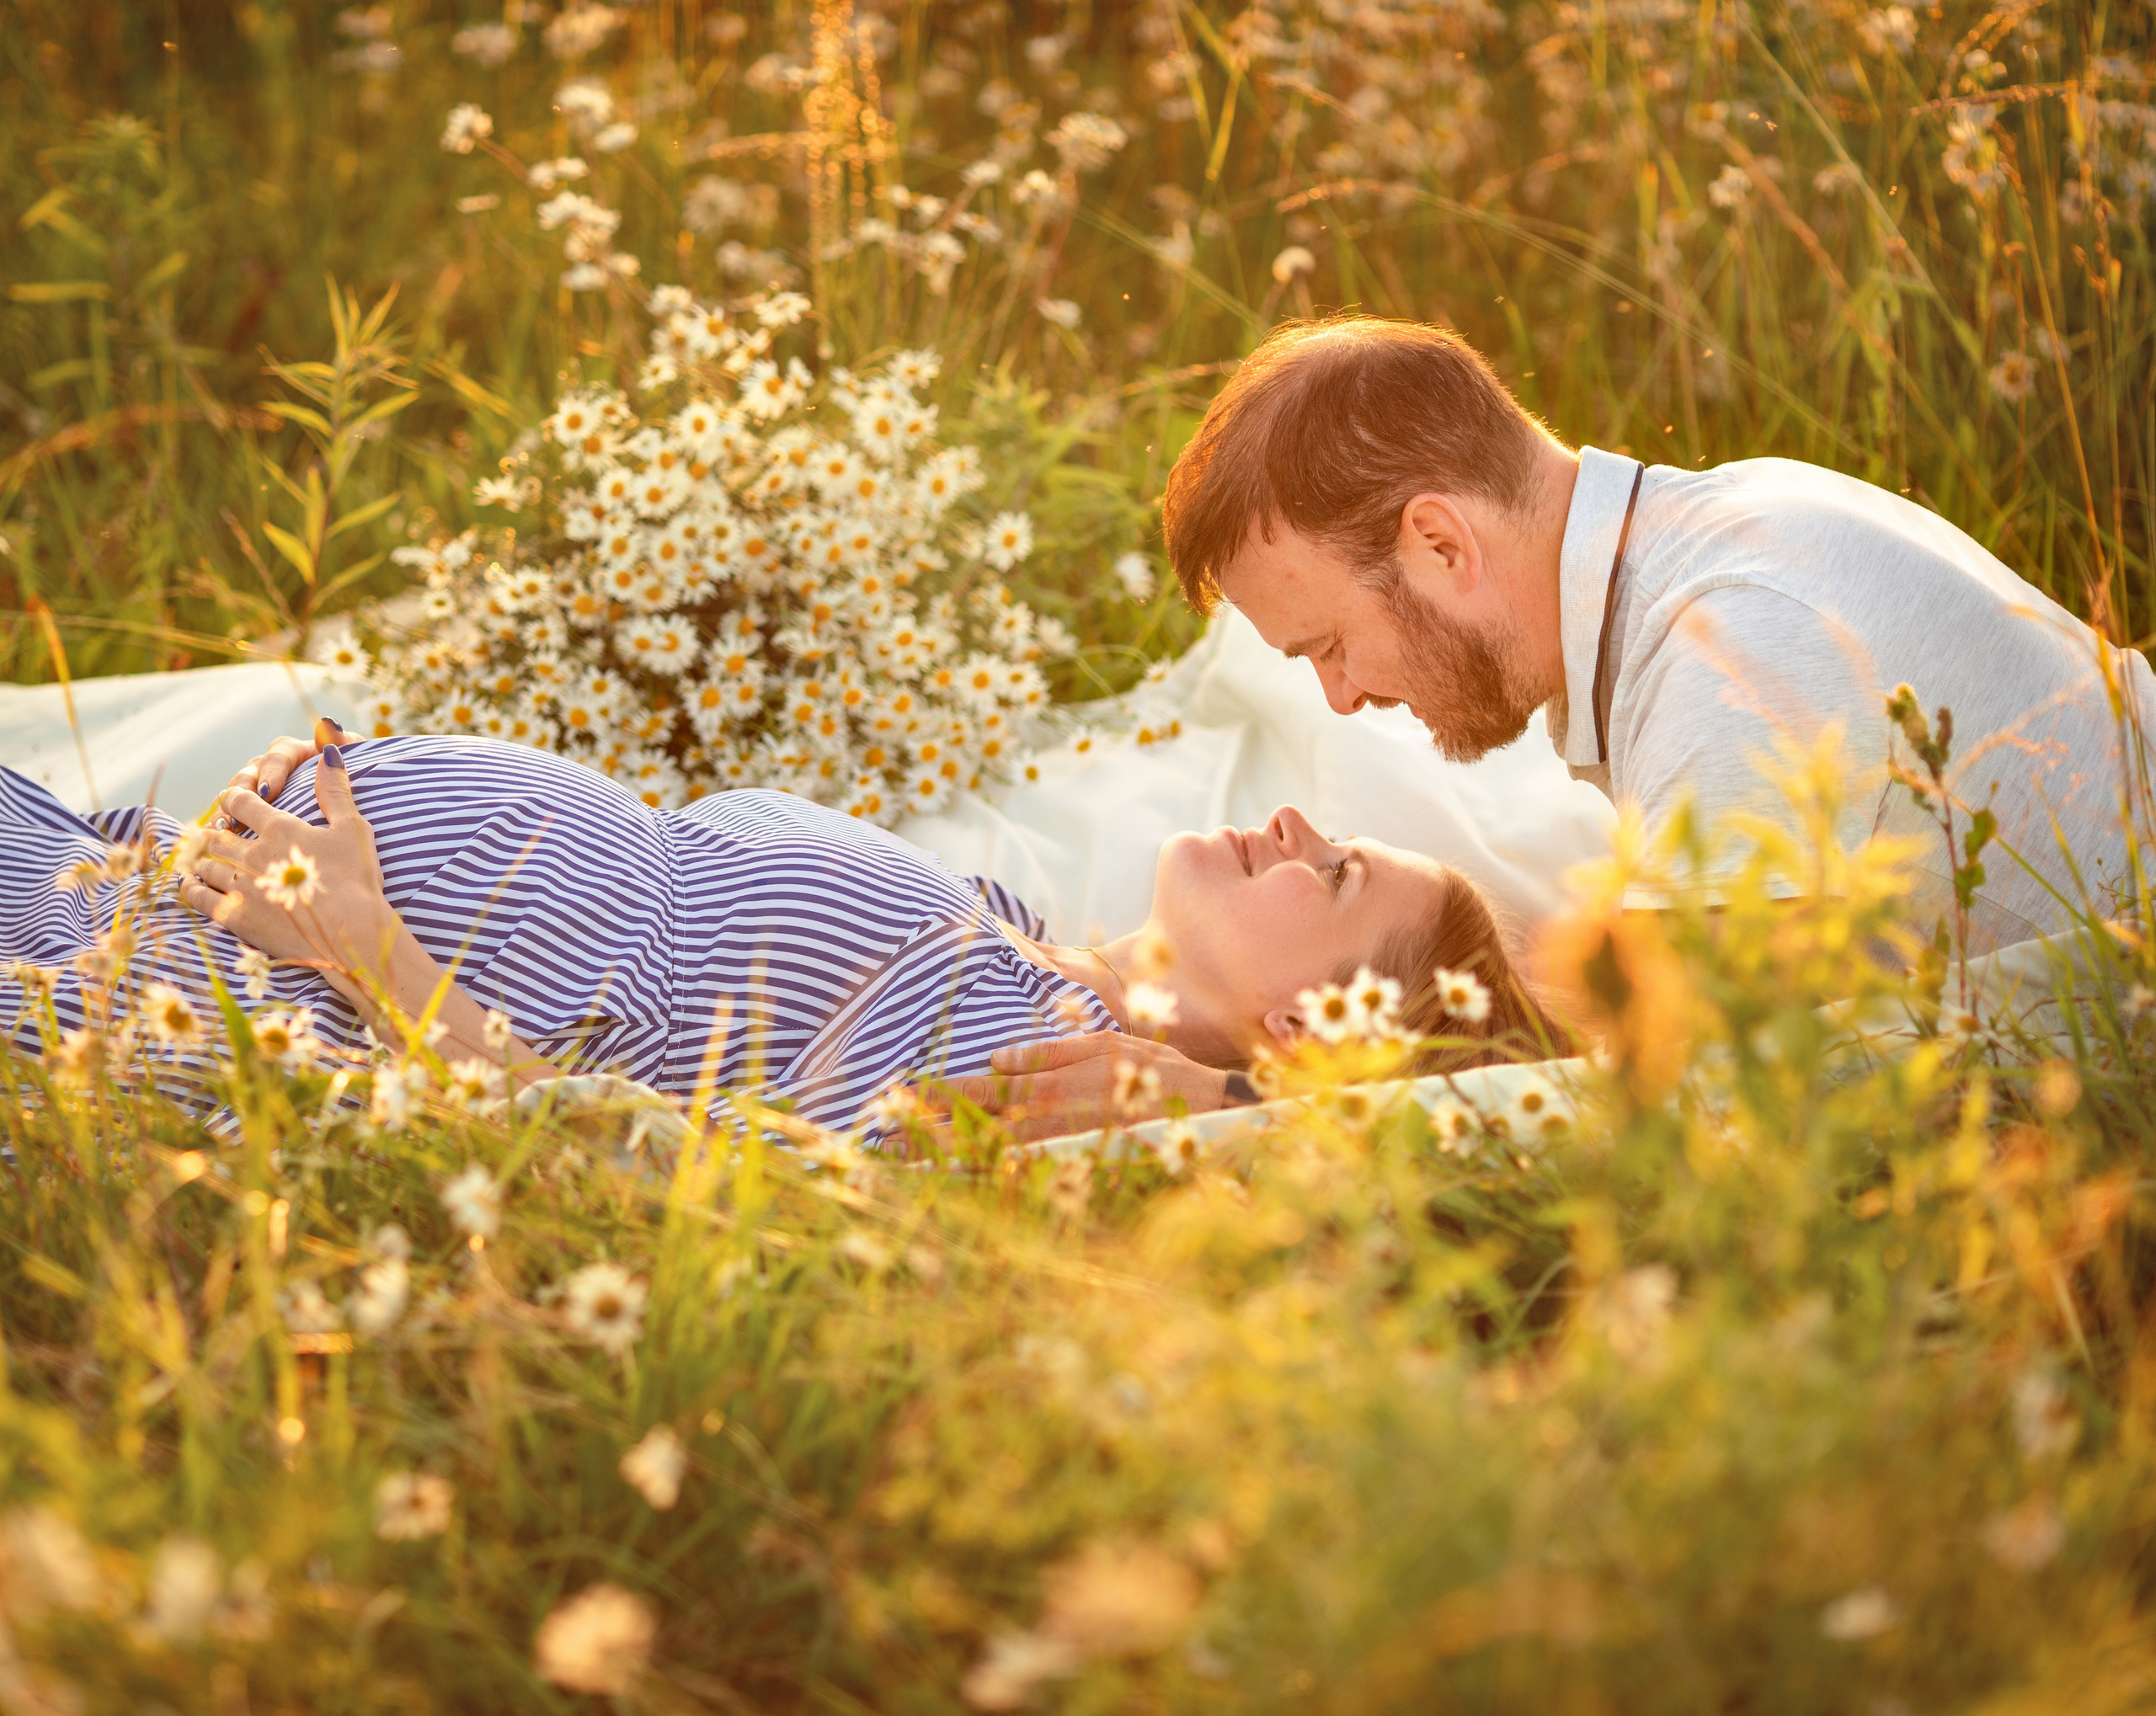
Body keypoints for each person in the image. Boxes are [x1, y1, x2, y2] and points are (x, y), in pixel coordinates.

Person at [974, 313, 2156, 1129]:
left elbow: (1660, 1127)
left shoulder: (1725, 660)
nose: (1340, 698)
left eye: (1330, 644)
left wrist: (1235, 1108)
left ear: (1440, 542)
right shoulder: (1728, 528)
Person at [0, 726, 1553, 1137]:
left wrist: (365, 945)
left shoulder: (1033, 1091)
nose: (1296, 823)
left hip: (186, 1007)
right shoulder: (1015, 936)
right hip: (131, 898)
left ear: (1305, 1037)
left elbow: (624, 1155)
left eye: (1336, 875)